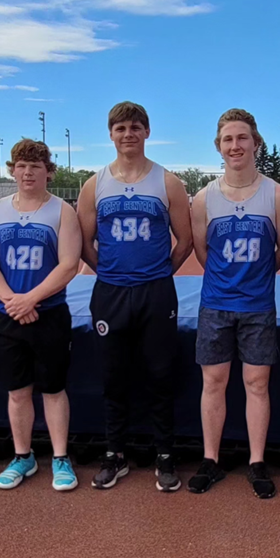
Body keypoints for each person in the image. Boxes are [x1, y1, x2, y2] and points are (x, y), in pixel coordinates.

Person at [77, 102, 193, 492]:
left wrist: (158, 275)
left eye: (135, 127)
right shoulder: (95, 185)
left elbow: (186, 240)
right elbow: (84, 242)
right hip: (110, 292)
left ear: (147, 132)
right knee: (113, 377)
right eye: (121, 128)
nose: (128, 134)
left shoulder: (167, 182)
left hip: (156, 292)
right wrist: (110, 274)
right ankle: (115, 454)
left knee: (161, 375)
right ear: (111, 134)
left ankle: (164, 454)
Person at [188, 109, 280, 499]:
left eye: (242, 138)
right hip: (215, 303)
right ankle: (211, 459)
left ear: (256, 143)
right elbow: (203, 252)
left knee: (256, 383)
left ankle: (256, 461)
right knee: (213, 382)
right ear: (219, 146)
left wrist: (258, 278)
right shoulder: (204, 199)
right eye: (228, 139)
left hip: (258, 305)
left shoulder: (277, 194)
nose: (236, 145)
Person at [0, 139, 83, 492]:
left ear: (47, 172)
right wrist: (11, 300)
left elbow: (69, 263)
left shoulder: (62, 212)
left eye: (35, 166)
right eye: (21, 166)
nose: (27, 172)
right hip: (7, 315)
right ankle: (23, 456)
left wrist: (32, 299)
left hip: (48, 313)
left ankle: (60, 457)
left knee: (53, 389)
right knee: (17, 390)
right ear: (13, 170)